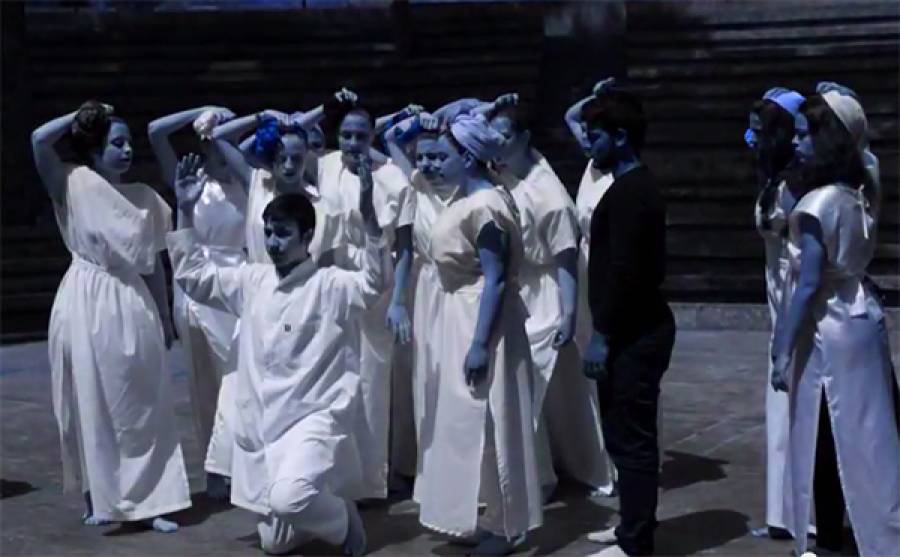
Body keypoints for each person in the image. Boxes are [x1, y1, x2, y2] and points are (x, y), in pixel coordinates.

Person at [168, 151, 389, 555]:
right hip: (266, 422)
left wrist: (369, 217)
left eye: (283, 234)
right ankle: (314, 508)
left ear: (308, 237)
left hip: (313, 418)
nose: (273, 243)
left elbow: (375, 283)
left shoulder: (331, 285)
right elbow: (195, 278)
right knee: (273, 543)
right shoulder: (252, 281)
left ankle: (343, 520)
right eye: (269, 233)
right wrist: (185, 210)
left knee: (290, 500)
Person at [31, 101, 191, 532]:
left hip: (130, 299)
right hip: (84, 297)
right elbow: (39, 140)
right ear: (94, 149)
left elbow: (154, 262)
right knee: (89, 400)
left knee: (141, 402)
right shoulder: (72, 182)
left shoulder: (145, 198)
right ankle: (99, 497)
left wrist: (164, 313)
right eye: (115, 143)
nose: (126, 151)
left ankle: (152, 501)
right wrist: (84, 114)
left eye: (128, 143)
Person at [771, 90, 900, 557]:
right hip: (860, 314)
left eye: (805, 135)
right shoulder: (859, 192)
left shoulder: (818, 203)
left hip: (829, 324)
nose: (796, 143)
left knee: (825, 432)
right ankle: (881, 525)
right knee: (872, 429)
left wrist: (782, 347)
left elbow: (808, 284)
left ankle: (826, 538)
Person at [417, 113, 541, 556]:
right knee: (465, 421)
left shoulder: (486, 204)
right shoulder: (465, 199)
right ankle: (475, 513)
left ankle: (508, 525)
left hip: (479, 317)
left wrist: (479, 344)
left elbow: (496, 277)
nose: (435, 165)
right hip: (458, 312)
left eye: (444, 156)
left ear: (467, 158)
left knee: (494, 417)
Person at [488, 95, 614, 498]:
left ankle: (538, 476)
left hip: (546, 292)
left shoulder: (550, 195)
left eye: (503, 136)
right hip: (519, 285)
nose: (495, 143)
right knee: (538, 388)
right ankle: (540, 466)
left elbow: (565, 259)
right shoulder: (503, 174)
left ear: (524, 138)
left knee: (534, 384)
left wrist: (568, 313)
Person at [580, 81, 676, 557]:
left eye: (595, 136)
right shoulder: (628, 188)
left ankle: (635, 541)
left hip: (634, 332)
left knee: (632, 438)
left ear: (619, 137)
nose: (589, 145)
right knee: (623, 436)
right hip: (633, 328)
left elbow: (625, 271)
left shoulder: (632, 193)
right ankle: (631, 524)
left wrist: (601, 335)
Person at [312, 102, 415, 500]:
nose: (353, 144)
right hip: (335, 277)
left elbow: (404, 248)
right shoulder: (327, 167)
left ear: (373, 136)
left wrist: (398, 301)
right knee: (335, 375)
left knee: (372, 381)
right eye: (346, 135)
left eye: (361, 136)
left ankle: (372, 478)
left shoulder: (393, 178)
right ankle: (336, 473)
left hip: (377, 279)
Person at [148, 106, 247, 499]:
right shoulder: (191, 179)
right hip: (195, 279)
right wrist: (201, 111)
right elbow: (156, 129)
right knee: (204, 379)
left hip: (235, 282)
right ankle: (215, 469)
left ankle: (242, 460)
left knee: (237, 376)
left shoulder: (248, 178)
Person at [383, 106, 461, 494]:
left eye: (437, 157)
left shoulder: (471, 191)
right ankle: (420, 464)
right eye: (423, 157)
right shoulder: (416, 185)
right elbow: (389, 138)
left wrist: (445, 120)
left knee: (455, 381)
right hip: (424, 292)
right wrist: (414, 119)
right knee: (422, 378)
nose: (428, 165)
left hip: (459, 292)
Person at [745, 87, 805, 540]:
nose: (751, 138)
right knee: (780, 411)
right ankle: (784, 512)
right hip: (777, 298)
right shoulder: (775, 181)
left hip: (790, 302)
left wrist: (785, 331)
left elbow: (796, 260)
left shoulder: (794, 186)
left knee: (791, 405)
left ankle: (798, 512)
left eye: (758, 131)